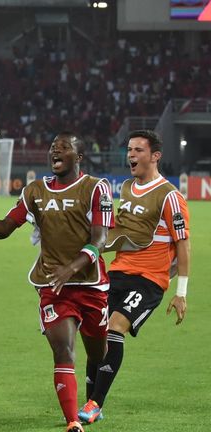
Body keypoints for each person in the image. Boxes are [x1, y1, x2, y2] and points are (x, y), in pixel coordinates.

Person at [0, 132, 114, 432]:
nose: (55, 151)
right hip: (52, 285)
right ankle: (71, 423)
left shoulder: (96, 189)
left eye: (64, 148)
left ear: (78, 157)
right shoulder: (35, 191)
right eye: (53, 147)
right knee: (63, 351)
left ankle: (94, 402)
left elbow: (100, 241)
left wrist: (72, 268)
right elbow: (4, 229)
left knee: (97, 354)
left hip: (91, 285)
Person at [78, 130, 191, 424]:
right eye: (129, 149)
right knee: (95, 333)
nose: (131, 155)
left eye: (139, 150)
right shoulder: (126, 188)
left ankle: (94, 403)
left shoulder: (170, 196)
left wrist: (181, 292)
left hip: (149, 280)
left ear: (155, 156)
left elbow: (183, 244)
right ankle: (92, 401)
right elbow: (122, 232)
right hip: (116, 272)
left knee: (115, 327)